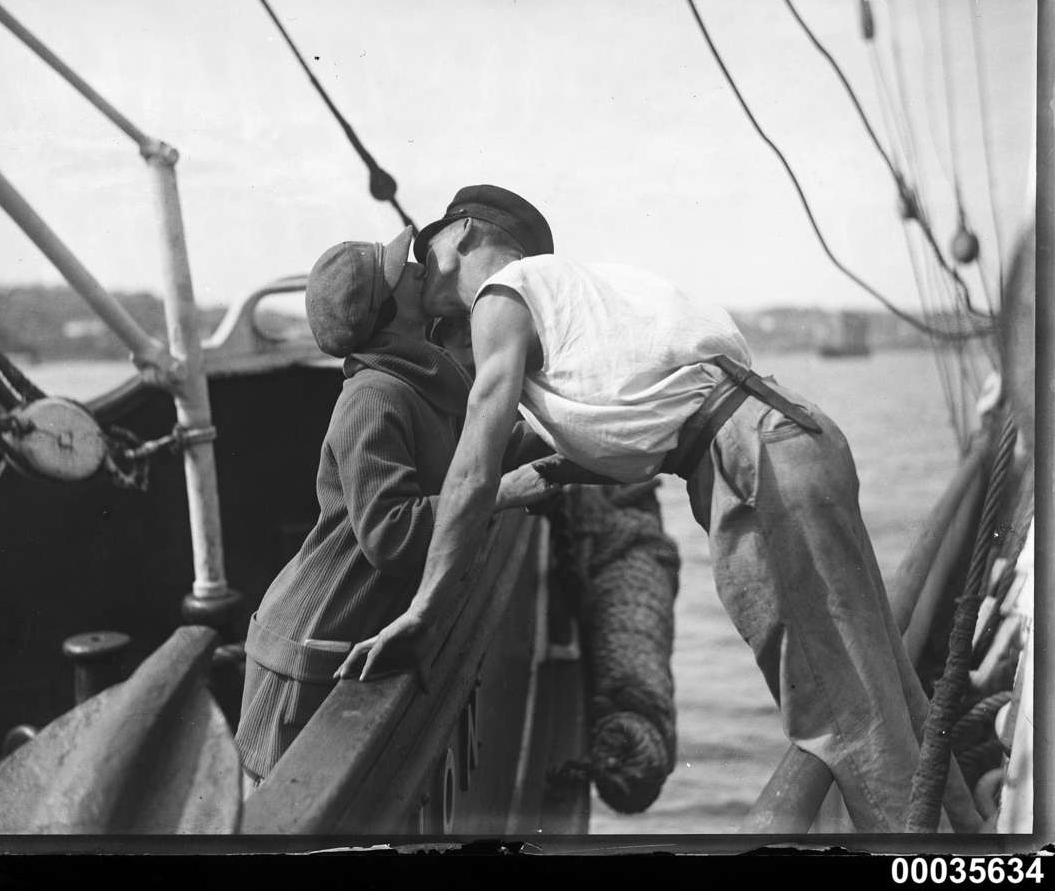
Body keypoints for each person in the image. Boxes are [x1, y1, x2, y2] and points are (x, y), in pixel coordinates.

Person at [337, 184, 982, 833]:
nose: (421, 268)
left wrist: (424, 608)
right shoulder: (574, 295)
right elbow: (631, 427)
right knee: (887, 682)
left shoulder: (499, 298)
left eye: (428, 249)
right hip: (787, 434)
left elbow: (475, 462)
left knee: (839, 712)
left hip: (754, 465)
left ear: (468, 234)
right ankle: (971, 832)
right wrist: (544, 470)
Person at [234, 225, 535, 788]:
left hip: (341, 632)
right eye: (402, 271)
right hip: (309, 645)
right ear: (385, 312)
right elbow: (390, 535)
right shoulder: (374, 397)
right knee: (272, 806)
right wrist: (504, 494)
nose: (421, 267)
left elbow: (469, 460)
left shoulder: (421, 381)